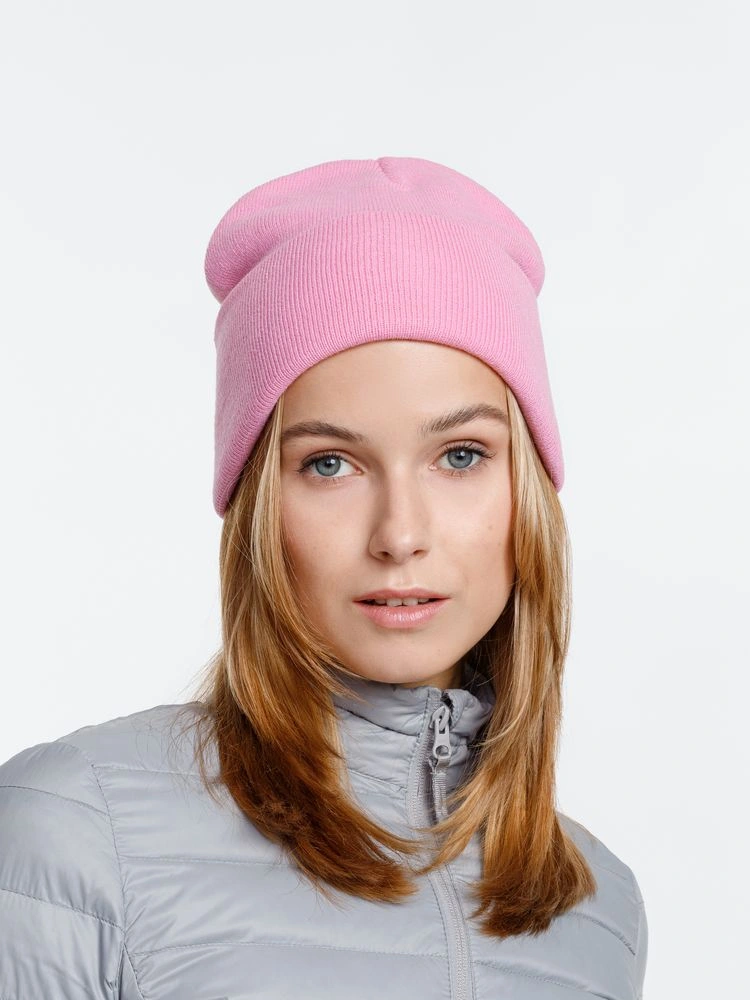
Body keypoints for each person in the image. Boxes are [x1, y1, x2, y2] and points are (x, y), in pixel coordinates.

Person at [0, 156, 648, 999]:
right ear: (259, 507)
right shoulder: (75, 835)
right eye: (330, 463)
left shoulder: (596, 908)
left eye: (461, 456)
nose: (401, 534)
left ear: (526, 491)